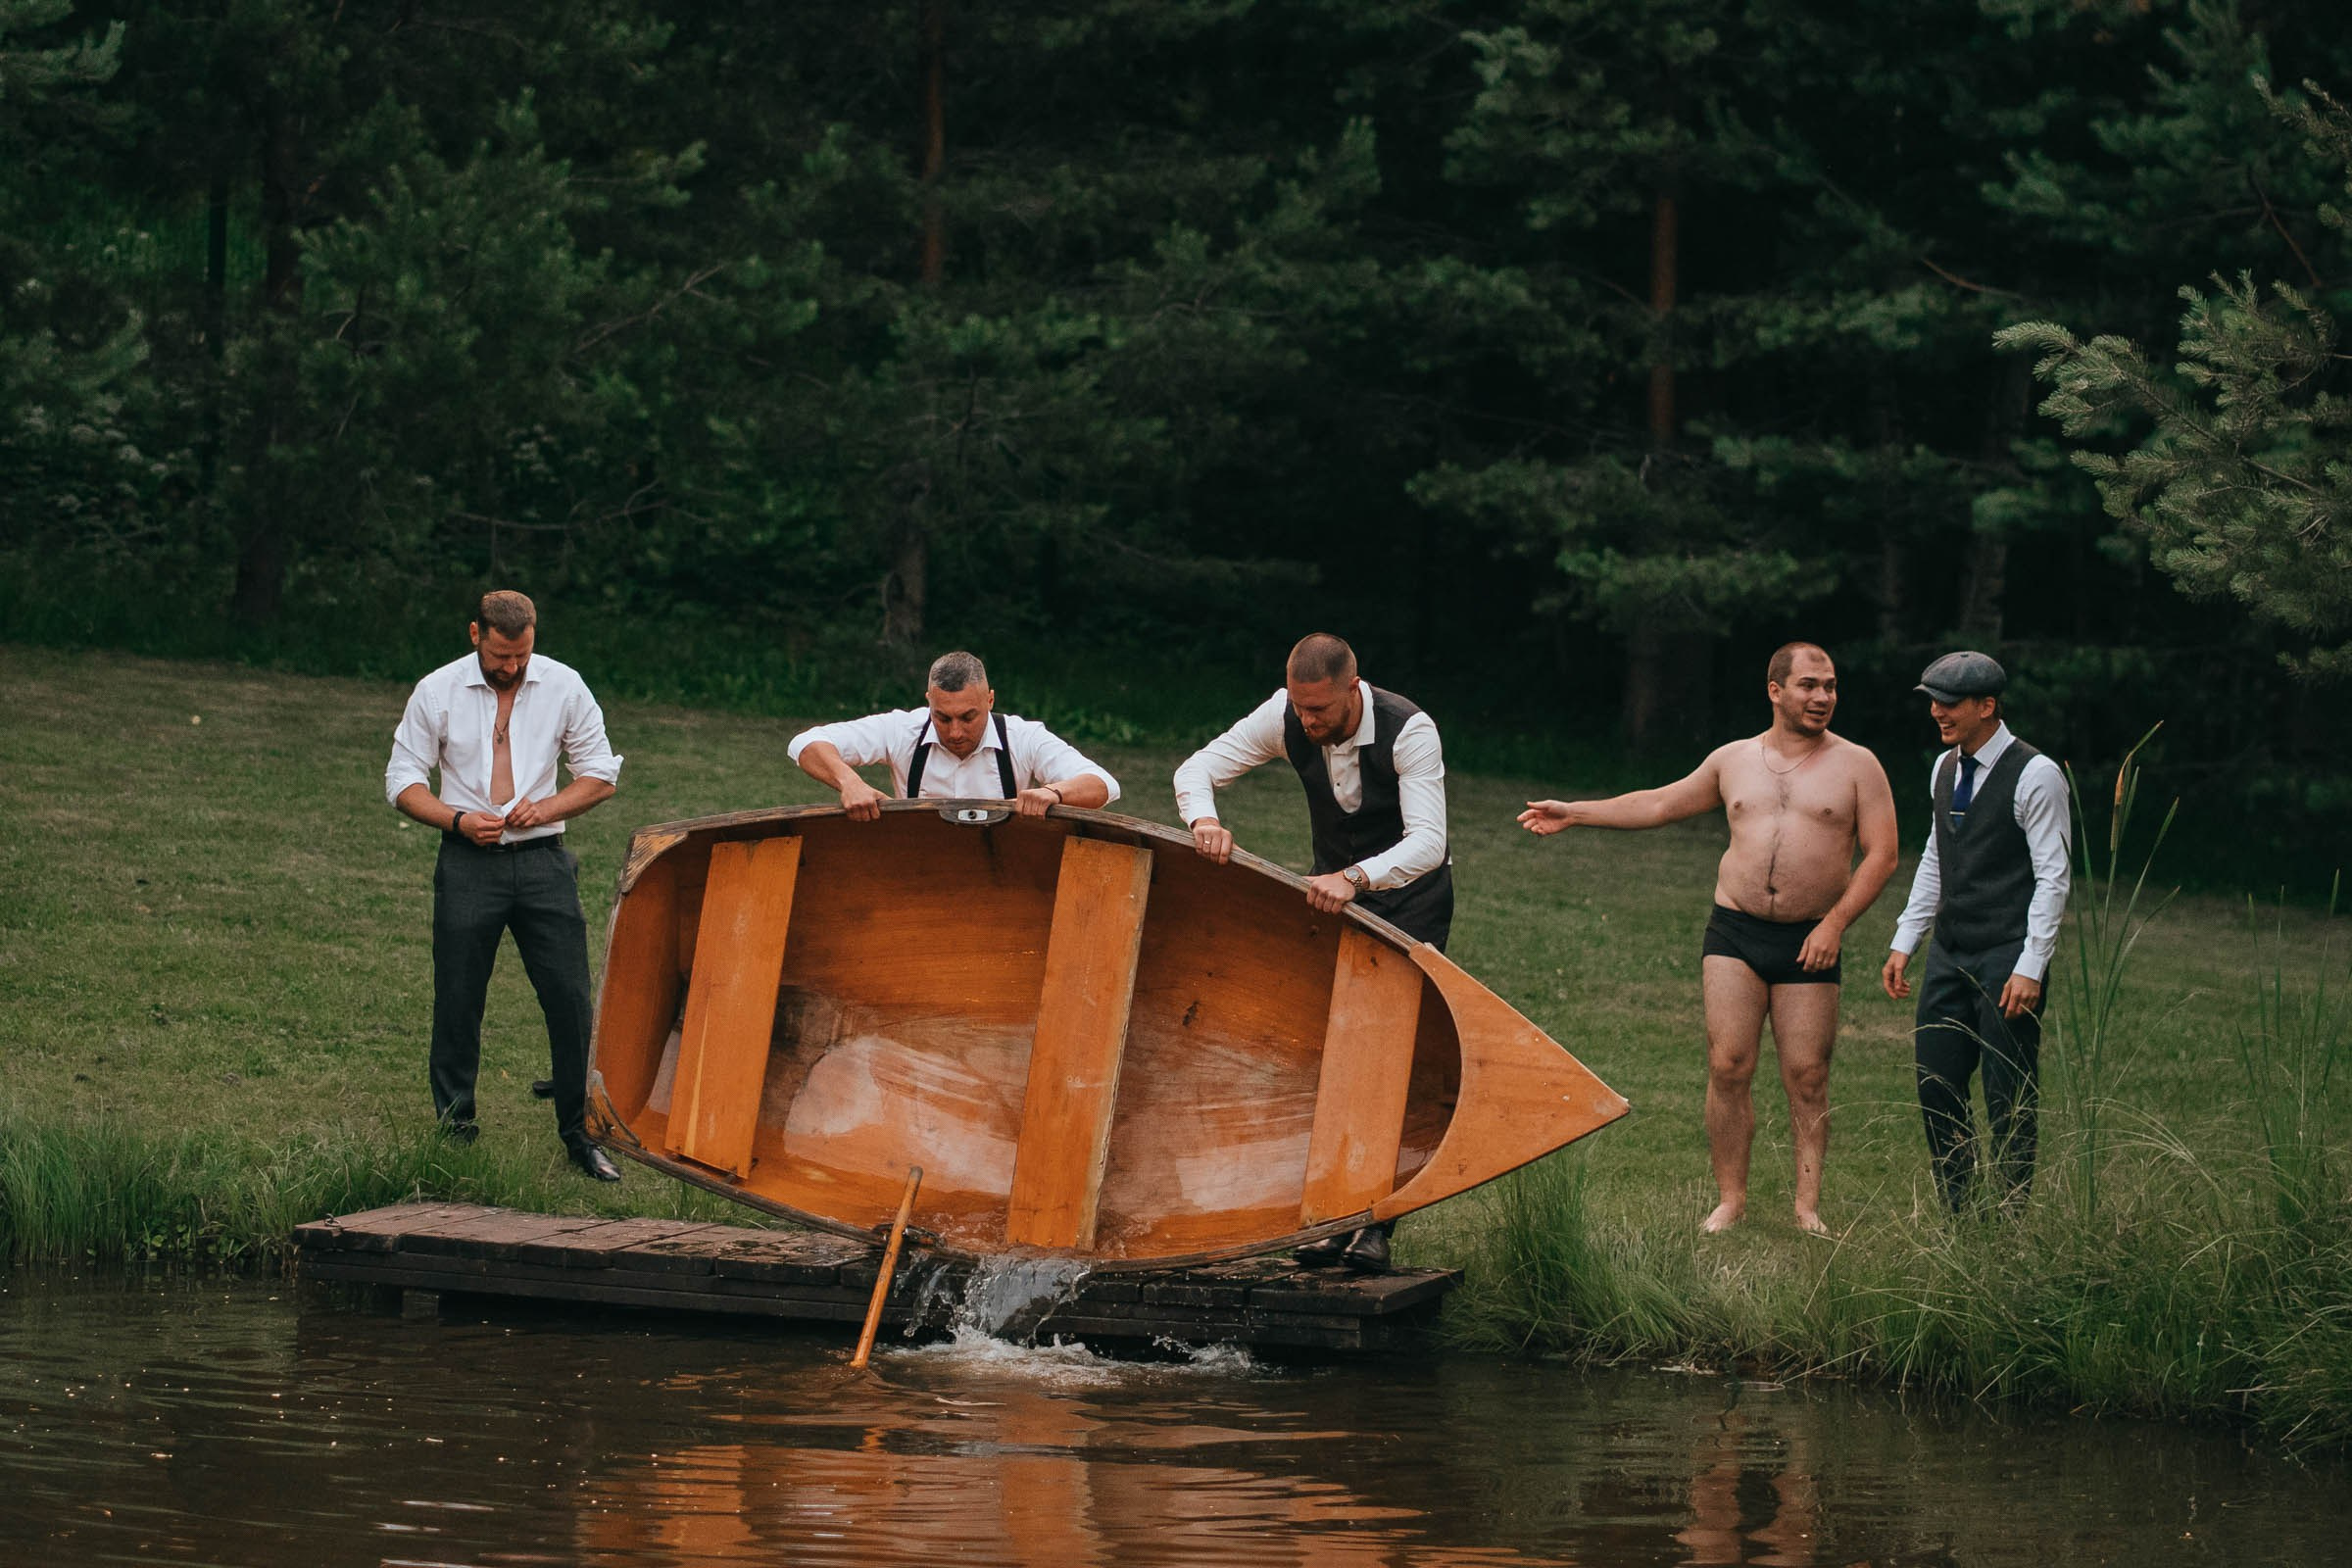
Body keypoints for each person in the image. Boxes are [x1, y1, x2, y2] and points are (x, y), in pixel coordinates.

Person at [1519, 643, 1898, 1235]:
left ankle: (1806, 1208)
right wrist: (1576, 812)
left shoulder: (1858, 766)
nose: (1822, 696)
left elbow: (1883, 855)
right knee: (1729, 1064)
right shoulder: (1733, 760)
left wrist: (1834, 925)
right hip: (1735, 930)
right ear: (1775, 691)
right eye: (1807, 685)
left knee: (1807, 1075)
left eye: (1829, 685)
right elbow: (1662, 803)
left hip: (1810, 939)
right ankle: (1731, 1200)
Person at [1173, 632, 1453, 1272]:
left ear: (1353, 689)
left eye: (1320, 710)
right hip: (1330, 900)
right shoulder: (1286, 715)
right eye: (1300, 708)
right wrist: (1205, 823)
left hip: (1410, 900)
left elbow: (1429, 844)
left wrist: (1354, 878)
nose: (1308, 720)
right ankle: (1326, 1219)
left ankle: (1376, 1226)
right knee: (1325, 1055)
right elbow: (1196, 770)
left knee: (1388, 1060)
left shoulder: (1410, 730)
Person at [385, 590, 625, 1181]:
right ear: (476, 634)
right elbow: (402, 780)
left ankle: (581, 1134)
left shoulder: (565, 685)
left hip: (544, 862)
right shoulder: (436, 691)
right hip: (468, 859)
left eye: (520, 654)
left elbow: (599, 775)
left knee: (571, 1001)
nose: (511, 667)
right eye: (499, 655)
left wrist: (544, 810)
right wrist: (458, 820)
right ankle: (455, 1128)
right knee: (459, 997)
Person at [1880, 651, 2071, 1212]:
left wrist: (2031, 967)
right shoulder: (1944, 767)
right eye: (1933, 701)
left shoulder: (2036, 774)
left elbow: (2053, 877)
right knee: (1937, 1084)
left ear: (1987, 706)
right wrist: (1905, 940)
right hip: (1950, 951)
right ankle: (1959, 1212)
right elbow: (1937, 856)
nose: (1937, 712)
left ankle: (2010, 1221)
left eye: (1950, 703)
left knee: (2007, 1092)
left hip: (2007, 955)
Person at [787, 651, 1120, 817]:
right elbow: (805, 743)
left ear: (990, 700)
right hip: (919, 864)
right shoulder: (902, 729)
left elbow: (1103, 785)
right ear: (929, 700)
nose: (955, 731)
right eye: (942, 717)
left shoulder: (1024, 737)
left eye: (968, 717)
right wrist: (850, 782)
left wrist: (1053, 792)